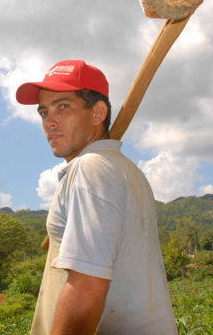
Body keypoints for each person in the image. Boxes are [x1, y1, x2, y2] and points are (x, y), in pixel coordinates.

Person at [16, 60, 177, 335]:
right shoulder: (126, 170)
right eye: (44, 111)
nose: (49, 121)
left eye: (63, 106)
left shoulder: (90, 169)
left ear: (98, 112)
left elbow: (87, 289)